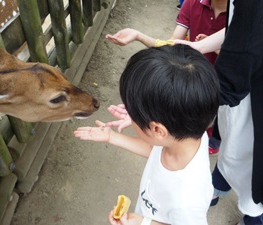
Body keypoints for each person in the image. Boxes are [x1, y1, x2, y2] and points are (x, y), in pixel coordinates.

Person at [74, 45, 220, 225]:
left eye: (133, 114)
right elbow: (155, 150)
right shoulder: (191, 130)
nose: (129, 114)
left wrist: (144, 223)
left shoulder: (187, 198)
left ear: (157, 130)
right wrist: (113, 137)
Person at [176, 0, 263, 224]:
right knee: (231, 142)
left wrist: (176, 107)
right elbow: (240, 27)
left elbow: (232, 79)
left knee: (249, 153)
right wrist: (197, 47)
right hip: (243, 83)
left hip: (249, 89)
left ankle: (253, 217)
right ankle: (218, 186)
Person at [106, 0, 227, 154]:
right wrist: (138, 36)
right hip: (189, 77)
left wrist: (214, 48)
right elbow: (170, 45)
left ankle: (215, 140)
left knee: (221, 112)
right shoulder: (192, 3)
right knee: (189, 121)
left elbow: (244, 60)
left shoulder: (240, 14)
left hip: (222, 78)